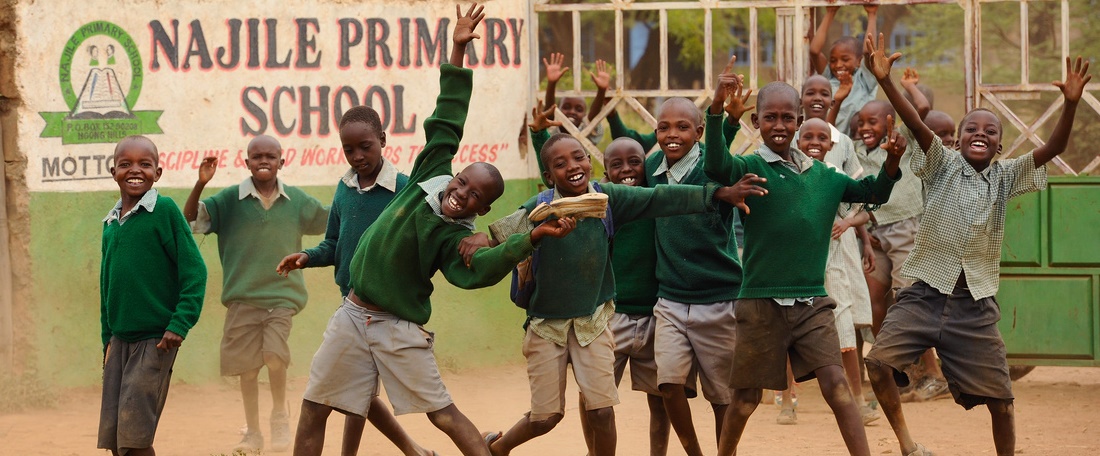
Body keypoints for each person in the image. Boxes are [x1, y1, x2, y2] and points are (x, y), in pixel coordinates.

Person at [291, 6, 576, 456]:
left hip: (395, 327)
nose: (462, 194)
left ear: (483, 208)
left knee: (442, 414)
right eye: (463, 181)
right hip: (350, 314)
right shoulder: (427, 176)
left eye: (476, 196)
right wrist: (458, 49)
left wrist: (530, 239)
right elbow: (448, 116)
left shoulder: (452, 240)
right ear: (454, 173)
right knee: (313, 406)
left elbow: (479, 269)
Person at [862, 33, 1091, 456]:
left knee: (1002, 403)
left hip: (975, 304)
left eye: (990, 130)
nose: (979, 133)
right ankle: (909, 446)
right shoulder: (941, 162)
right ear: (957, 139)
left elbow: (1054, 147)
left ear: (1000, 146)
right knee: (877, 364)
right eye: (971, 128)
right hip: (923, 295)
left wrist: (1072, 102)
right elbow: (915, 122)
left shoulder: (1006, 177)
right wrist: (888, 81)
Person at [484, 121, 770, 456]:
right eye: (560, 165)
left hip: (593, 323)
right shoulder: (540, 206)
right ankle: (499, 447)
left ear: (589, 165)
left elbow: (662, 197)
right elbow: (500, 237)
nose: (572, 167)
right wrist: (478, 242)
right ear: (549, 177)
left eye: (578, 158)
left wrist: (718, 193)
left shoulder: (609, 199)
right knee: (546, 418)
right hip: (547, 326)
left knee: (602, 411)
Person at [704, 72, 902, 456]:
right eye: (769, 118)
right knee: (744, 400)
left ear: (798, 119)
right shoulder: (748, 168)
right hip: (760, 303)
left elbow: (872, 192)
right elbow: (714, 165)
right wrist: (719, 114)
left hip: (812, 302)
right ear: (756, 121)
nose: (779, 126)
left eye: (786, 118)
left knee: (837, 387)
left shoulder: (826, 177)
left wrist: (892, 162)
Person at [275, 105, 433, 456]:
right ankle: (411, 449)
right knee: (357, 391)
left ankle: (409, 449)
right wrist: (307, 257)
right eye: (349, 150)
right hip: (352, 306)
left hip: (388, 311)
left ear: (382, 140)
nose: (358, 156)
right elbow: (335, 242)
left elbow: (423, 247)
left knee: (359, 392)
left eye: (365, 146)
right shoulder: (345, 188)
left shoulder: (404, 190)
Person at [182, 134, 327, 453]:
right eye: (257, 156)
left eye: (271, 156)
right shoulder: (229, 201)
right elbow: (190, 221)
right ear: (246, 163)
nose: (264, 161)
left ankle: (278, 414)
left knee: (274, 357)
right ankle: (253, 431)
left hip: (282, 297)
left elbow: (332, 220)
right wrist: (200, 184)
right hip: (242, 300)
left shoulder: (298, 202)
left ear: (281, 162)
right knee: (247, 370)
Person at [98, 135, 207, 456]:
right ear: (113, 171)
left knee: (135, 439)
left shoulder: (164, 211)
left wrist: (179, 323)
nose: (135, 170)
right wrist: (107, 339)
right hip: (119, 342)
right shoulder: (110, 224)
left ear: (157, 173)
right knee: (117, 439)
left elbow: (195, 272)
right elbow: (107, 287)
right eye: (126, 164)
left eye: (145, 164)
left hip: (154, 341)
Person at [798, 118, 880, 426]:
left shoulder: (834, 175)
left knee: (844, 325)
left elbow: (864, 205)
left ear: (832, 144)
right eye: (808, 136)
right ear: (797, 139)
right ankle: (786, 400)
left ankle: (857, 399)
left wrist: (852, 228)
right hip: (796, 262)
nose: (815, 143)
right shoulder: (786, 171)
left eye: (822, 137)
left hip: (832, 258)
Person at [810, 3, 880, 135]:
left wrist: (872, 14)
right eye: (833, 60)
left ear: (859, 61)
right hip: (831, 142)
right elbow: (814, 51)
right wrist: (830, 13)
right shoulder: (828, 78)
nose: (838, 65)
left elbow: (868, 51)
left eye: (845, 59)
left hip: (859, 142)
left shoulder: (864, 79)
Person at [542, 52, 609, 146]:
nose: (572, 111)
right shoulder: (551, 133)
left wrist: (601, 91)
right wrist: (551, 83)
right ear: (558, 110)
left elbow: (592, 119)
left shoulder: (585, 133)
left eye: (579, 109)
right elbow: (549, 114)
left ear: (584, 115)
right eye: (566, 107)